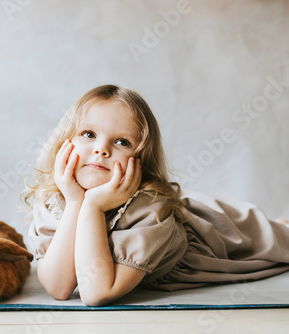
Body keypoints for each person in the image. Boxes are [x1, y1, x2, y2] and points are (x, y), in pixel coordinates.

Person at [22, 84, 289, 307]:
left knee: (277, 237)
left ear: (141, 162)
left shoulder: (152, 212)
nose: (101, 149)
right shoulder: (56, 201)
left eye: (122, 142)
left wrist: (92, 206)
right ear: (64, 143)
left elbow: (96, 293)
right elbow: (58, 288)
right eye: (88, 134)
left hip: (220, 232)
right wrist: (76, 203)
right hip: (179, 214)